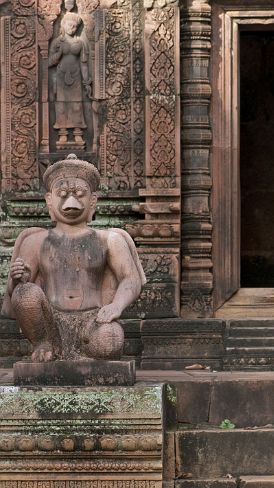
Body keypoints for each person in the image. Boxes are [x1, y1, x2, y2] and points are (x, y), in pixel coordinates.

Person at [1, 154, 146, 362]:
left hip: (93, 319)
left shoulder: (109, 239)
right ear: (49, 201)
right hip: (50, 322)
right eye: (62, 194)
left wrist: (116, 306)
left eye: (80, 194)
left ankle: (83, 349)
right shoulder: (35, 240)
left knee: (111, 339)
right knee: (25, 293)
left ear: (92, 201)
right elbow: (15, 294)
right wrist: (16, 279)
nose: (71, 202)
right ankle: (43, 343)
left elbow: (130, 278)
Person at [49, 11, 91, 147]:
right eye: (69, 25)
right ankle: (63, 133)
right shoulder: (57, 42)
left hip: (76, 76)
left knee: (77, 105)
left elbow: (84, 64)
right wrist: (59, 53)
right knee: (61, 105)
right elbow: (49, 62)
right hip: (61, 76)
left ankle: (78, 132)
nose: (71, 29)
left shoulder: (80, 43)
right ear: (63, 24)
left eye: (74, 27)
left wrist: (86, 81)